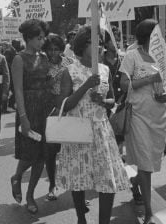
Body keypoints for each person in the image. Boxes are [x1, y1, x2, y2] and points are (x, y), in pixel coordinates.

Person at [56, 26, 130, 224]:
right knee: (78, 177)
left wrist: (102, 101)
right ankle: (81, 218)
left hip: (101, 130)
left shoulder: (105, 69)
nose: (98, 46)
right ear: (82, 45)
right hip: (78, 130)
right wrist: (86, 86)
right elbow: (63, 105)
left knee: (108, 179)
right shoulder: (69, 71)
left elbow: (112, 101)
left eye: (99, 42)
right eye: (93, 42)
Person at [119, 19, 166, 223]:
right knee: (146, 164)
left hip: (159, 116)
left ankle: (135, 181)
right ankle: (149, 211)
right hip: (138, 116)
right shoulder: (132, 56)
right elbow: (124, 85)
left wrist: (165, 95)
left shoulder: (165, 57)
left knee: (148, 162)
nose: (162, 35)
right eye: (158, 32)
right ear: (148, 35)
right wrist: (149, 79)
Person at [10, 19, 51, 214]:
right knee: (29, 154)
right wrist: (23, 117)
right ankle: (17, 176)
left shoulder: (44, 57)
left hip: (44, 112)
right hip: (28, 111)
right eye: (38, 38)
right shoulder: (19, 59)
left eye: (43, 38)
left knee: (42, 156)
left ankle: (30, 195)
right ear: (28, 38)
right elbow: (18, 91)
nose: (42, 41)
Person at [42, 33, 73, 202]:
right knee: (51, 151)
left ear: (62, 50)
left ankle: (75, 189)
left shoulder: (70, 63)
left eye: (56, 49)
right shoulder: (43, 65)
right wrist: (48, 81)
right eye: (50, 50)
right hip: (50, 111)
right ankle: (52, 185)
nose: (53, 53)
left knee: (70, 150)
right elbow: (40, 87)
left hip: (69, 109)